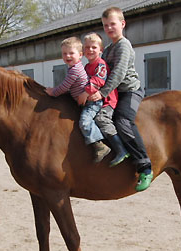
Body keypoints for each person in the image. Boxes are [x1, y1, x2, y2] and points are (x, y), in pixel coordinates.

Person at [82, 6, 153, 191]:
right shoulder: (107, 50)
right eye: (105, 25)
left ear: (122, 24)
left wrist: (102, 93)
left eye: (112, 24)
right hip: (113, 93)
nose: (109, 28)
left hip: (129, 91)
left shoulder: (123, 45)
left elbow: (119, 73)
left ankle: (144, 166)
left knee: (122, 120)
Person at [45, 36, 111, 163]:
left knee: (85, 122)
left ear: (80, 55)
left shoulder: (75, 70)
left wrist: (52, 92)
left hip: (92, 102)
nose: (68, 56)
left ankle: (99, 145)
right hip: (84, 102)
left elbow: (64, 86)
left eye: (71, 53)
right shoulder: (75, 68)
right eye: (64, 53)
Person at [78, 32, 129, 167]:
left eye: (93, 47)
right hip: (93, 100)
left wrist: (85, 92)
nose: (90, 50)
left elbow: (98, 81)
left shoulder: (100, 65)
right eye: (87, 47)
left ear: (100, 50)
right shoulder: (87, 66)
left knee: (101, 119)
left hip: (107, 100)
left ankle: (120, 149)